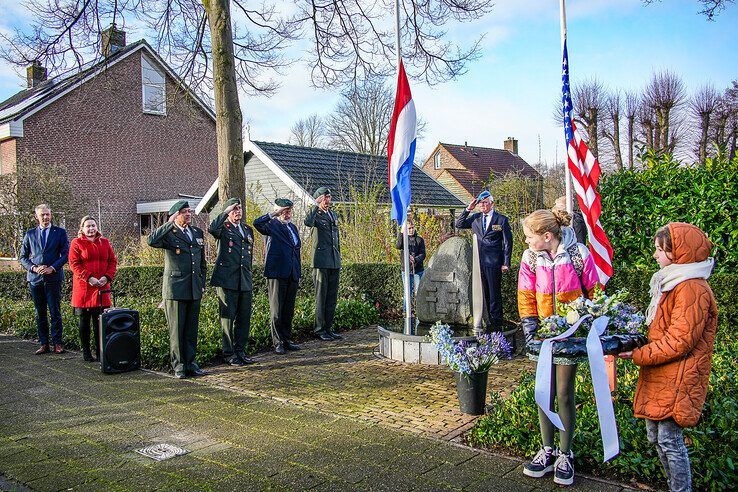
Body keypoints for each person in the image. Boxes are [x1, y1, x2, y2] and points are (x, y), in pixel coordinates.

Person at [618, 223, 717, 492]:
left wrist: (638, 353)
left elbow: (679, 341)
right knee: (657, 437)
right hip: (664, 374)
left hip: (679, 376)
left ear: (680, 253)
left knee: (669, 440)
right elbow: (662, 328)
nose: (655, 255)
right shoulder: (674, 281)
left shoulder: (691, 288)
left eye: (660, 250)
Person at [517, 209, 599, 486]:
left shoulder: (579, 255)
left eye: (530, 237)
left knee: (563, 392)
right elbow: (526, 294)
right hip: (543, 334)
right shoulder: (530, 258)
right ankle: (547, 449)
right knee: (544, 391)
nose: (526, 242)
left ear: (547, 236)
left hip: (570, 334)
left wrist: (588, 322)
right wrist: (530, 329)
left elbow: (594, 292)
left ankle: (566, 452)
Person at [148, 200, 208, 379]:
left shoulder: (196, 232)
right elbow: (152, 240)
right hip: (175, 288)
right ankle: (179, 365)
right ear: (175, 215)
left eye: (189, 211)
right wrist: (169, 222)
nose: (188, 214)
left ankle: (191, 362)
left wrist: (202, 283)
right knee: (177, 330)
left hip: (194, 287)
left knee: (191, 329)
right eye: (184, 212)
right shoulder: (169, 233)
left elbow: (201, 262)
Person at [455, 191, 512, 330]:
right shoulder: (475, 218)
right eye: (480, 203)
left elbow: (507, 242)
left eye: (485, 202)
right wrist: (468, 209)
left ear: (491, 204)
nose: (482, 205)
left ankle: (496, 322)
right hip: (478, 261)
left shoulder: (501, 220)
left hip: (493, 262)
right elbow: (459, 224)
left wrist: (506, 262)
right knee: (482, 292)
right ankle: (485, 318)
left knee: (494, 293)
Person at [209, 198, 255, 366]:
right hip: (227, 279)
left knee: (244, 317)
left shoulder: (247, 229)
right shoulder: (223, 228)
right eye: (234, 209)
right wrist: (224, 212)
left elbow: (248, 256)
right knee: (228, 318)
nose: (238, 211)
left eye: (239, 208)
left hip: (244, 279)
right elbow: (212, 228)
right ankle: (229, 353)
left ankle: (240, 350)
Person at [19, 204, 70, 354]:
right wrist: (34, 268)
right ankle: (44, 343)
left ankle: (57, 343)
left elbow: (66, 254)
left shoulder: (60, 232)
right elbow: (22, 257)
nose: (46, 217)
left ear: (51, 215)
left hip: (53, 278)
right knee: (39, 312)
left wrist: (52, 268)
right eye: (42, 215)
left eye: (48, 214)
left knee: (55, 312)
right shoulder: (29, 234)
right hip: (35, 279)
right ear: (36, 216)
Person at [254, 198, 302, 355]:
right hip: (277, 273)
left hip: (292, 273)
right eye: (284, 211)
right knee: (276, 310)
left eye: (289, 211)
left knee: (288, 309)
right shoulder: (272, 225)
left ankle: (286, 339)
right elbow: (257, 223)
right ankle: (277, 342)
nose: (287, 214)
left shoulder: (293, 227)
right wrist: (273, 214)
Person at [68, 216, 117, 362]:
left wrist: (107, 277)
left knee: (100, 322)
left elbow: (112, 261)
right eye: (88, 226)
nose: (91, 229)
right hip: (84, 288)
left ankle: (100, 351)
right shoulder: (76, 243)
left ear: (97, 227)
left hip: (102, 288)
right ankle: (86, 352)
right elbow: (74, 264)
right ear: (82, 228)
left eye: (93, 226)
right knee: (84, 322)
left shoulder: (105, 242)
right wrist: (89, 277)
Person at [304, 187, 343, 342]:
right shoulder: (316, 215)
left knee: (331, 297)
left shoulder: (332, 214)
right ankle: (319, 329)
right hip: (320, 261)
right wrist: (315, 205)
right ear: (319, 199)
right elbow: (307, 222)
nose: (328, 200)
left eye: (329, 197)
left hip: (333, 260)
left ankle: (328, 327)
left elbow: (336, 240)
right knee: (321, 296)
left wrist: (338, 257)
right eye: (325, 197)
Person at [394, 219, 426, 295]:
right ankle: (406, 307)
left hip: (418, 270)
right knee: (407, 293)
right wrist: (401, 233)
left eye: (412, 227)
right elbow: (398, 246)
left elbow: (423, 254)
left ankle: (419, 307)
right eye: (409, 228)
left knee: (419, 292)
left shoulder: (419, 240)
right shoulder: (403, 240)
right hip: (406, 270)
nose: (411, 230)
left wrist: (415, 259)